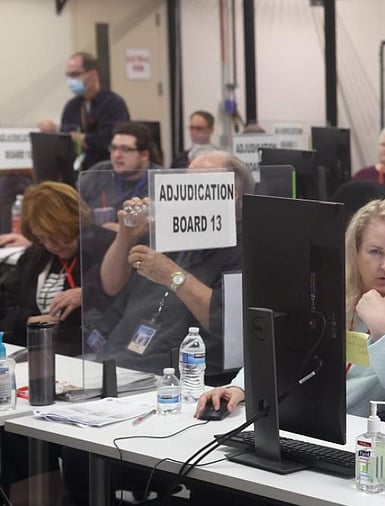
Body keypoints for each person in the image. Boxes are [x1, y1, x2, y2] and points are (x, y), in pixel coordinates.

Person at [196, 199, 385, 417]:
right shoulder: (333, 283)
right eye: (375, 252)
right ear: (355, 252)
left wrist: (383, 329)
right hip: (309, 419)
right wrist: (241, 388)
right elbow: (286, 351)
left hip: (373, 434)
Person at [87, 151, 253, 375]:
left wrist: (171, 275)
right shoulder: (173, 231)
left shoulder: (246, 246)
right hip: (119, 359)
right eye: (185, 183)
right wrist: (126, 236)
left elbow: (228, 325)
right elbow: (110, 285)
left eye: (200, 186)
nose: (187, 194)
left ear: (234, 195)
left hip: (179, 372)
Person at [0, 182, 115, 356]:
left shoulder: (107, 247)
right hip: (38, 350)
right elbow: (7, 305)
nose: (52, 245)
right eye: (42, 238)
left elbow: (126, 296)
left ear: (73, 222)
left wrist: (88, 293)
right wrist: (28, 320)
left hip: (90, 351)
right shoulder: (36, 256)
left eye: (57, 235)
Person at [59, 52, 130, 172]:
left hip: (106, 172)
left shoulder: (113, 104)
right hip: (76, 171)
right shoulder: (71, 106)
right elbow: (64, 140)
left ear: (93, 75)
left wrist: (82, 139)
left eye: (75, 74)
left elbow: (108, 140)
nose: (71, 80)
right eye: (68, 75)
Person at [77, 121, 162, 218]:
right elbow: (75, 209)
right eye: (113, 148)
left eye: (125, 149)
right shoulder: (97, 173)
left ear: (144, 155)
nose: (117, 155)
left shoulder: (162, 180)